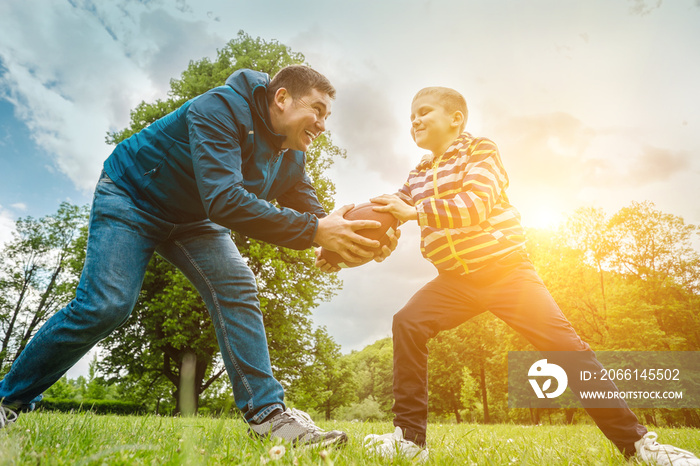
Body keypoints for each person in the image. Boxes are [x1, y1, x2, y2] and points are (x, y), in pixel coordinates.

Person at [0, 65, 391, 447]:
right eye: (317, 110)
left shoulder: (291, 155)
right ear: (283, 98)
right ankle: (9, 400)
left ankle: (268, 416)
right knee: (107, 304)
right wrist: (315, 232)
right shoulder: (219, 108)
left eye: (327, 116)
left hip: (192, 219)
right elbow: (224, 201)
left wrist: (347, 242)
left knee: (237, 283)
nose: (323, 124)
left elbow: (313, 216)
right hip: (132, 197)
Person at [360, 86, 700, 465]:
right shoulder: (418, 174)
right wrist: (349, 245)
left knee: (568, 349)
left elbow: (475, 204)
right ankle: (409, 440)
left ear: (456, 118)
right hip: (456, 280)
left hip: (508, 274)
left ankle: (638, 446)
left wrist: (415, 212)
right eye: (411, 117)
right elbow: (388, 213)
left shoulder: (481, 151)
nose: (415, 120)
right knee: (408, 322)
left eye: (424, 112)